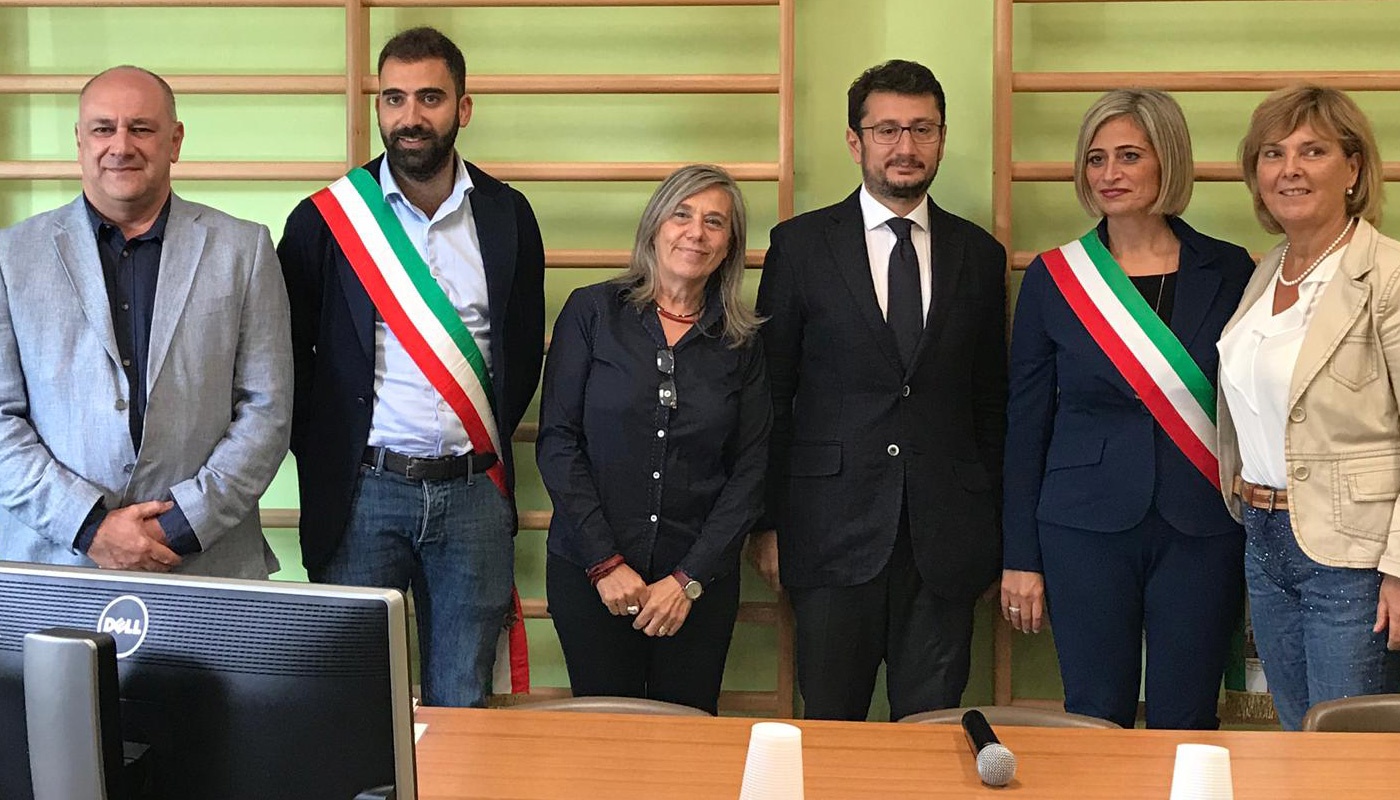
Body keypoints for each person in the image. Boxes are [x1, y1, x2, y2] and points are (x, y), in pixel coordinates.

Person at [277, 27, 545, 708]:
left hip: (474, 493)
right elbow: (287, 361)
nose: (410, 116)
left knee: (464, 700)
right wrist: (329, 451)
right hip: (363, 493)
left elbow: (519, 351)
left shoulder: (509, 216)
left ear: (463, 107)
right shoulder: (324, 221)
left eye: (430, 97)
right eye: (394, 98)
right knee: (354, 702)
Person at [753, 60, 1007, 721]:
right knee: (831, 730)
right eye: (887, 129)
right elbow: (771, 396)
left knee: (930, 734)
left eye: (922, 128)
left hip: (945, 542)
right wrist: (768, 523)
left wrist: (994, 532)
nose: (905, 146)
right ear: (855, 140)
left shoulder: (979, 256)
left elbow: (992, 404)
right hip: (827, 534)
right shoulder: (800, 247)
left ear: (942, 137)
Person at [1001, 89, 1252, 730]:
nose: (1109, 173)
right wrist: (1020, 556)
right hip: (1082, 526)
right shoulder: (1055, 277)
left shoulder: (1229, 269)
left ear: (1168, 159)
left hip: (1201, 524)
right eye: (1096, 158)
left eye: (1130, 156)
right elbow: (1026, 425)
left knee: (1187, 717)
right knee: (1093, 716)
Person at [0, 66, 291, 578]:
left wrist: (176, 528)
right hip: (57, 564)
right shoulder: (12, 255)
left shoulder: (244, 250)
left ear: (175, 141)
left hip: (207, 562)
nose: (121, 145)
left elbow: (267, 410)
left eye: (141, 128)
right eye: (103, 128)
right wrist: (89, 528)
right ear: (79, 140)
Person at [537, 165, 770, 715]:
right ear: (655, 225)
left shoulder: (742, 341)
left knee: (687, 742)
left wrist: (687, 580)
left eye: (715, 222)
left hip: (698, 589)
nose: (696, 233)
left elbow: (752, 469)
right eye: (681, 214)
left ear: (730, 244)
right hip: (591, 578)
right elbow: (558, 442)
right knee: (604, 738)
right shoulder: (592, 312)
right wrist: (605, 563)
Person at [1218, 84, 1400, 730]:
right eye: (1273, 153)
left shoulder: (1387, 274)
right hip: (1264, 537)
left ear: (1353, 168)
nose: (1289, 169)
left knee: (1347, 747)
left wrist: (1399, 569)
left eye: (1313, 151)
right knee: (1298, 737)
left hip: (1353, 556)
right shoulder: (1269, 270)